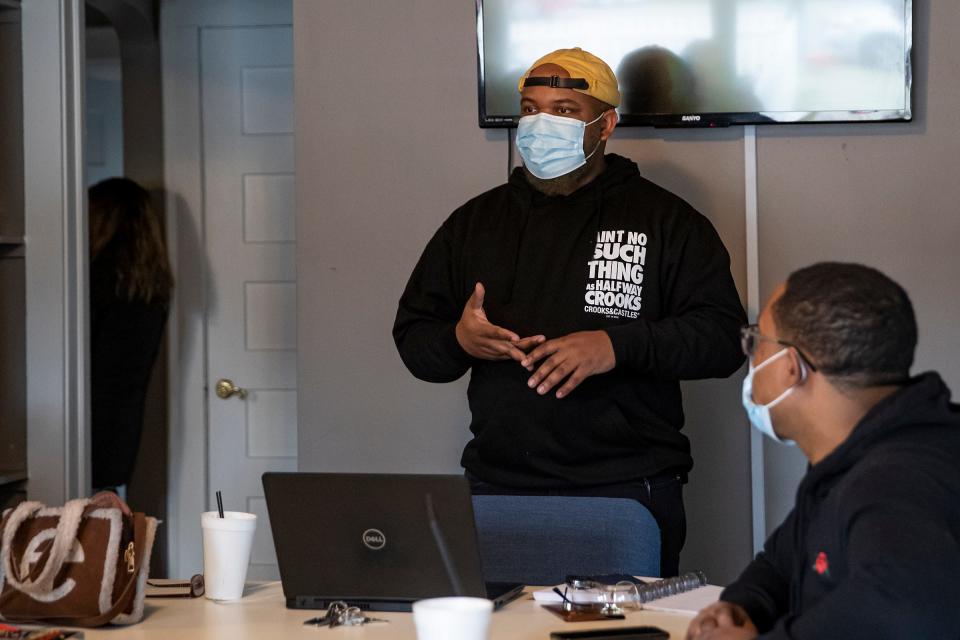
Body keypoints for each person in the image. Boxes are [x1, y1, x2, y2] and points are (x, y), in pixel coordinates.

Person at [393, 47, 745, 576]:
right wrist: (459, 341)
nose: (541, 124)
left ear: (605, 126)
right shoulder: (473, 223)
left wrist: (615, 345)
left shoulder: (666, 220)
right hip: (497, 488)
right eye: (531, 109)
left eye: (564, 110)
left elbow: (723, 338)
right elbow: (415, 340)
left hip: (627, 490)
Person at [687, 263, 960, 640]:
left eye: (757, 341)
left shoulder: (897, 481)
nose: (751, 357)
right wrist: (741, 607)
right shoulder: (849, 462)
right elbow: (782, 564)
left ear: (790, 367)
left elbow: (911, 613)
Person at [89, 177, 173, 492]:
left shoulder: (96, 279)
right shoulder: (152, 288)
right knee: (104, 521)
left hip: (85, 422)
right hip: (122, 424)